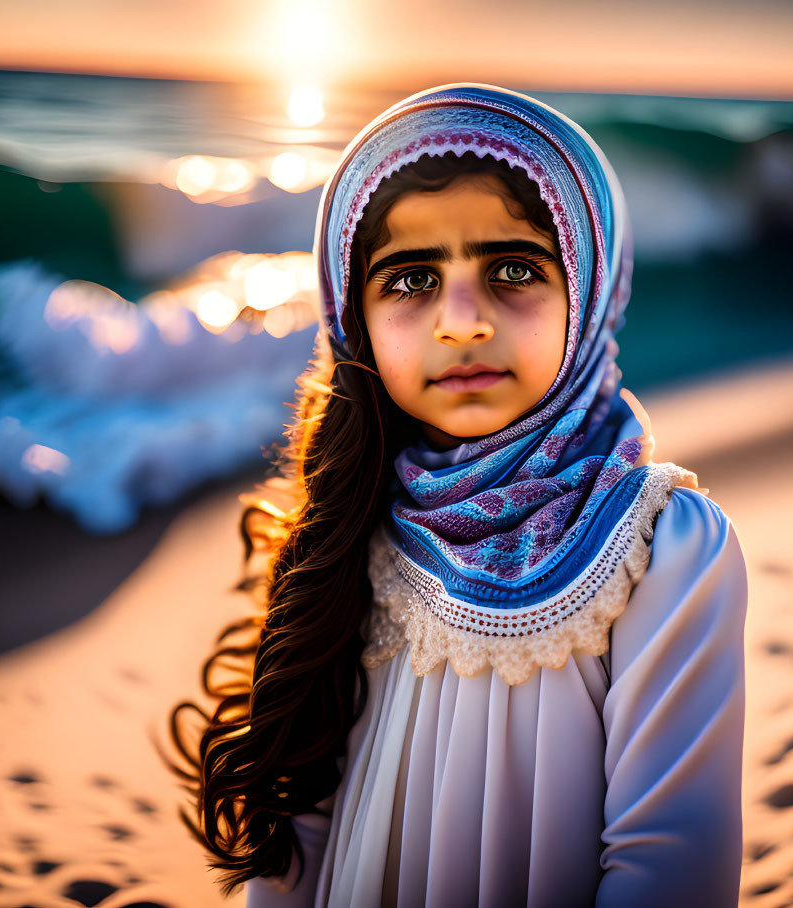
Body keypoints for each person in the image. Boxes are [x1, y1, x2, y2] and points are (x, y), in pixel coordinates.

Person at [172, 83, 748, 908]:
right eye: (409, 280)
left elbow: (667, 864)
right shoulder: (346, 523)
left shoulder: (663, 547)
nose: (463, 321)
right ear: (352, 317)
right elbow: (297, 832)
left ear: (589, 294)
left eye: (513, 269)